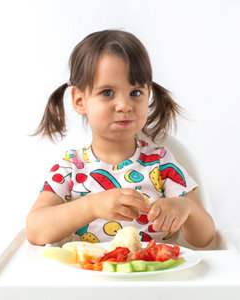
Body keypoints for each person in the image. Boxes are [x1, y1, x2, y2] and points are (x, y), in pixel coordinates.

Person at [26, 30, 215, 248]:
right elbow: (35, 230)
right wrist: (91, 206)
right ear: (79, 100)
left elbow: (205, 238)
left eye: (135, 93)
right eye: (107, 92)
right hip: (88, 277)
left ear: (148, 95)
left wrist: (186, 209)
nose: (124, 106)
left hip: (152, 277)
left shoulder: (161, 163)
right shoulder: (70, 168)